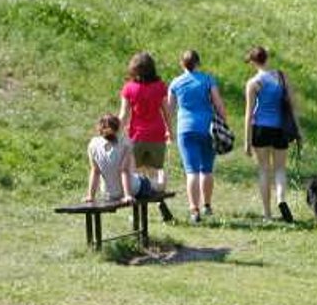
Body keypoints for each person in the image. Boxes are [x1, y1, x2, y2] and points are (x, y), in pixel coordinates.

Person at [167, 50, 228, 223]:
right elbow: (218, 103)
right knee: (207, 169)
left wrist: (168, 130)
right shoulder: (208, 79)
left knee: (191, 171)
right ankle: (207, 205)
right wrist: (225, 121)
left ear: (182, 64)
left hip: (185, 129)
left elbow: (169, 110)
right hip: (207, 128)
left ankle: (194, 210)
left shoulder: (176, 83)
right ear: (198, 63)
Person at [243, 45, 300, 223]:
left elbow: (249, 113)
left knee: (263, 170)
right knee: (280, 169)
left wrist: (247, 140)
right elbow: (292, 105)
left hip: (260, 128)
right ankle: (281, 199)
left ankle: (267, 214)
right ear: (267, 58)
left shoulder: (253, 83)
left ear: (253, 62)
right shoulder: (282, 77)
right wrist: (298, 130)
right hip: (280, 128)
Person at [118, 52, 173, 221]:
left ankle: (138, 215)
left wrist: (115, 133)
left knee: (135, 175)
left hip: (136, 136)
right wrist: (170, 130)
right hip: (157, 134)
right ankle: (160, 202)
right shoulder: (160, 86)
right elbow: (166, 112)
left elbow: (123, 114)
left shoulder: (129, 88)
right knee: (156, 172)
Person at [84, 114, 155, 204]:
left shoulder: (93, 144)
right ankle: (158, 183)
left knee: (139, 176)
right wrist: (127, 195)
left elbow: (95, 171)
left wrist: (90, 196)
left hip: (108, 193)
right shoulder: (125, 143)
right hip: (132, 189)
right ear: (118, 128)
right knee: (147, 182)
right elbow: (123, 171)